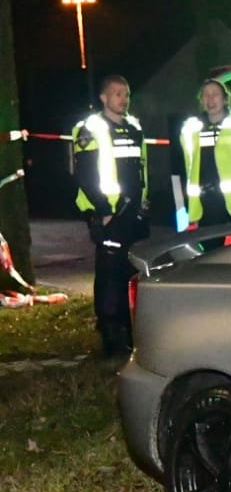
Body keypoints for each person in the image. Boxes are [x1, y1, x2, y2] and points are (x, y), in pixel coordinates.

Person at [72, 74, 149, 357]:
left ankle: (130, 331)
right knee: (109, 276)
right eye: (117, 93)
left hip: (133, 214)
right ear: (104, 98)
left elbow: (140, 169)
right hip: (109, 215)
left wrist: (143, 202)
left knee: (132, 273)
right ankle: (110, 336)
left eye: (126, 93)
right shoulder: (90, 129)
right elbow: (86, 175)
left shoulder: (133, 128)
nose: (123, 98)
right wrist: (103, 211)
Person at [178, 78, 231, 228]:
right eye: (206, 95)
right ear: (201, 101)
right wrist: (191, 207)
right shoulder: (192, 131)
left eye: (215, 94)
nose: (210, 99)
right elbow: (187, 171)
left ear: (225, 99)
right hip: (209, 207)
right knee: (213, 252)